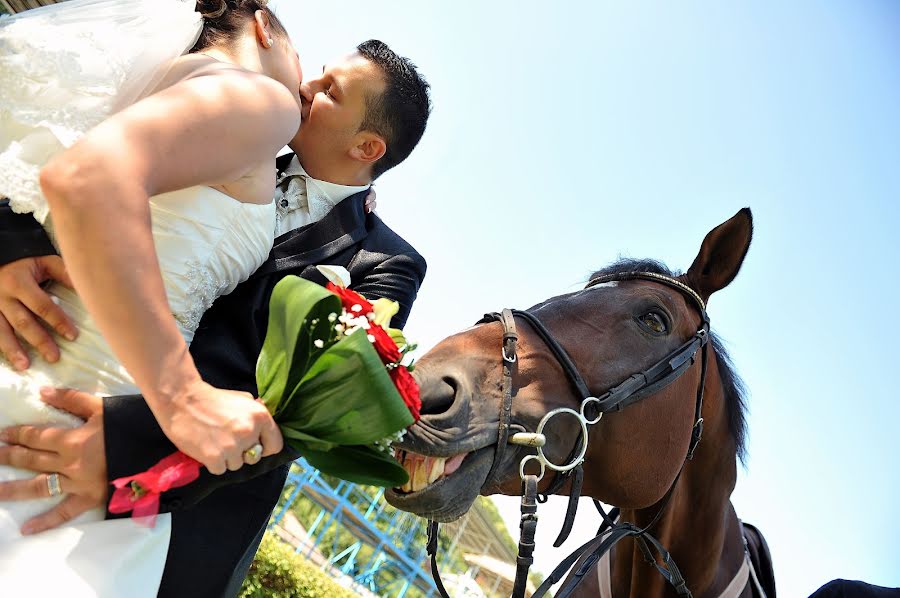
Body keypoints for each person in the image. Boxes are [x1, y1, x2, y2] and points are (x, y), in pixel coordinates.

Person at [0, 34, 432, 598]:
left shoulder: (387, 260)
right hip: (41, 362)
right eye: (319, 73)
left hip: (190, 497)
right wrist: (11, 244)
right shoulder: (230, 120)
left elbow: (317, 408)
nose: (306, 86)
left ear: (368, 146)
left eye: (331, 91)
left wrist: (133, 447)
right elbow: (71, 147)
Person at [0, 0, 304, 594]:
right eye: (301, 59)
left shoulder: (126, 90)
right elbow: (88, 179)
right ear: (263, 26)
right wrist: (181, 395)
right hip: (68, 412)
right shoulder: (265, 103)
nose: (306, 88)